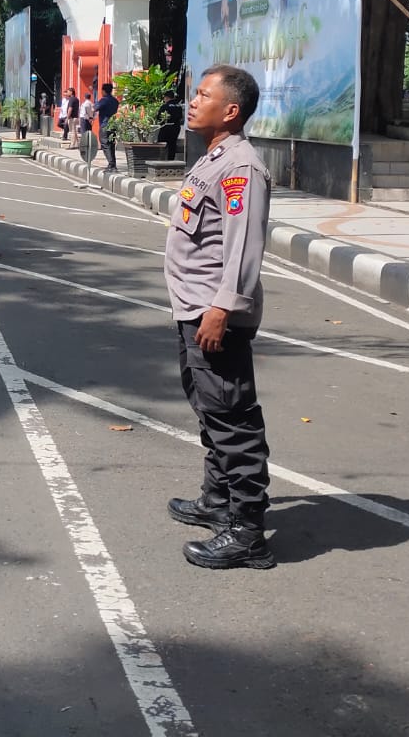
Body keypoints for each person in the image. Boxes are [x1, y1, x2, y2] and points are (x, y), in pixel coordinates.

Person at [164, 64, 275, 571]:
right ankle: (218, 501)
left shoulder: (240, 168)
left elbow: (243, 248)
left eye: (203, 95)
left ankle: (249, 531)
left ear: (230, 111)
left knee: (233, 420)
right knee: (211, 411)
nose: (192, 101)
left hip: (215, 316)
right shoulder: (215, 156)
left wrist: (222, 308)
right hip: (195, 309)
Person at [95, 81, 120, 171]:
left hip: (105, 124)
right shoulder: (115, 101)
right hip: (113, 125)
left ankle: (111, 164)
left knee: (105, 144)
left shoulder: (104, 100)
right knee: (112, 145)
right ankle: (113, 164)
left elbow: (96, 108)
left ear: (104, 91)